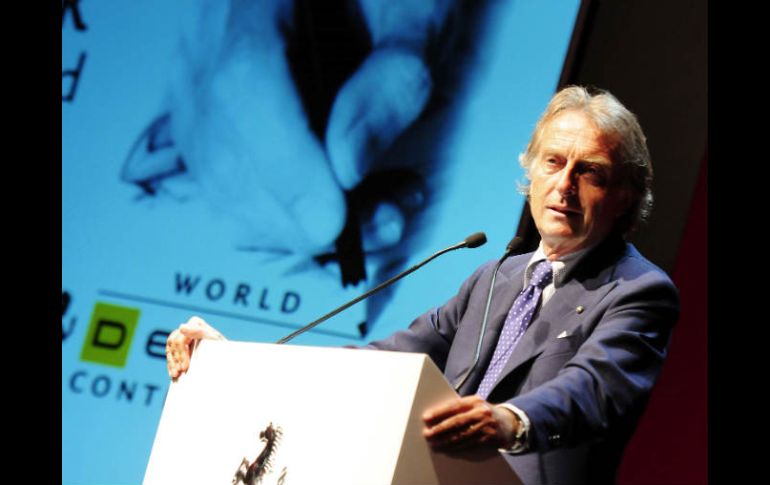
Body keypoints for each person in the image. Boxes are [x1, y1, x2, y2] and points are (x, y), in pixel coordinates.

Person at [166, 85, 679, 485]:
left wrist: (510, 421)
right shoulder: (495, 278)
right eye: (553, 162)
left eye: (590, 172)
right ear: (532, 173)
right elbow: (385, 361)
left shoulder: (638, 291)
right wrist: (234, 363)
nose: (564, 185)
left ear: (625, 195)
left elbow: (591, 389)